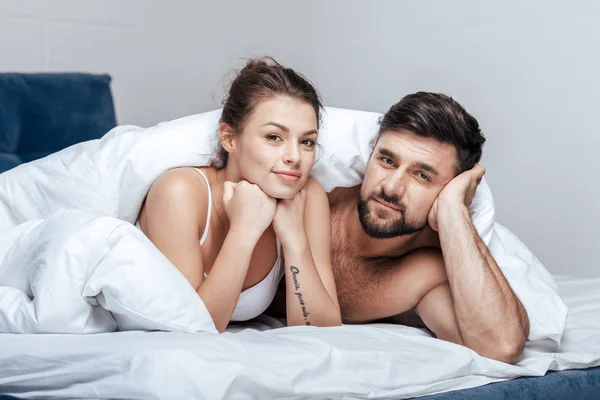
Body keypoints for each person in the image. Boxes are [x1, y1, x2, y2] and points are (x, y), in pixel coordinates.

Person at [270, 92, 530, 364]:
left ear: (452, 187)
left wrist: (454, 210)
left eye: (422, 175)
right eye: (387, 161)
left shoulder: (424, 273)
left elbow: (501, 347)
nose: (391, 187)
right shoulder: (315, 195)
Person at [137, 57, 341, 333]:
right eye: (274, 137)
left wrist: (295, 241)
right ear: (229, 138)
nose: (295, 157)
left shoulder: (306, 197)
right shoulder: (180, 192)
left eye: (307, 142)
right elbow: (193, 328)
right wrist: (243, 231)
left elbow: (322, 328)